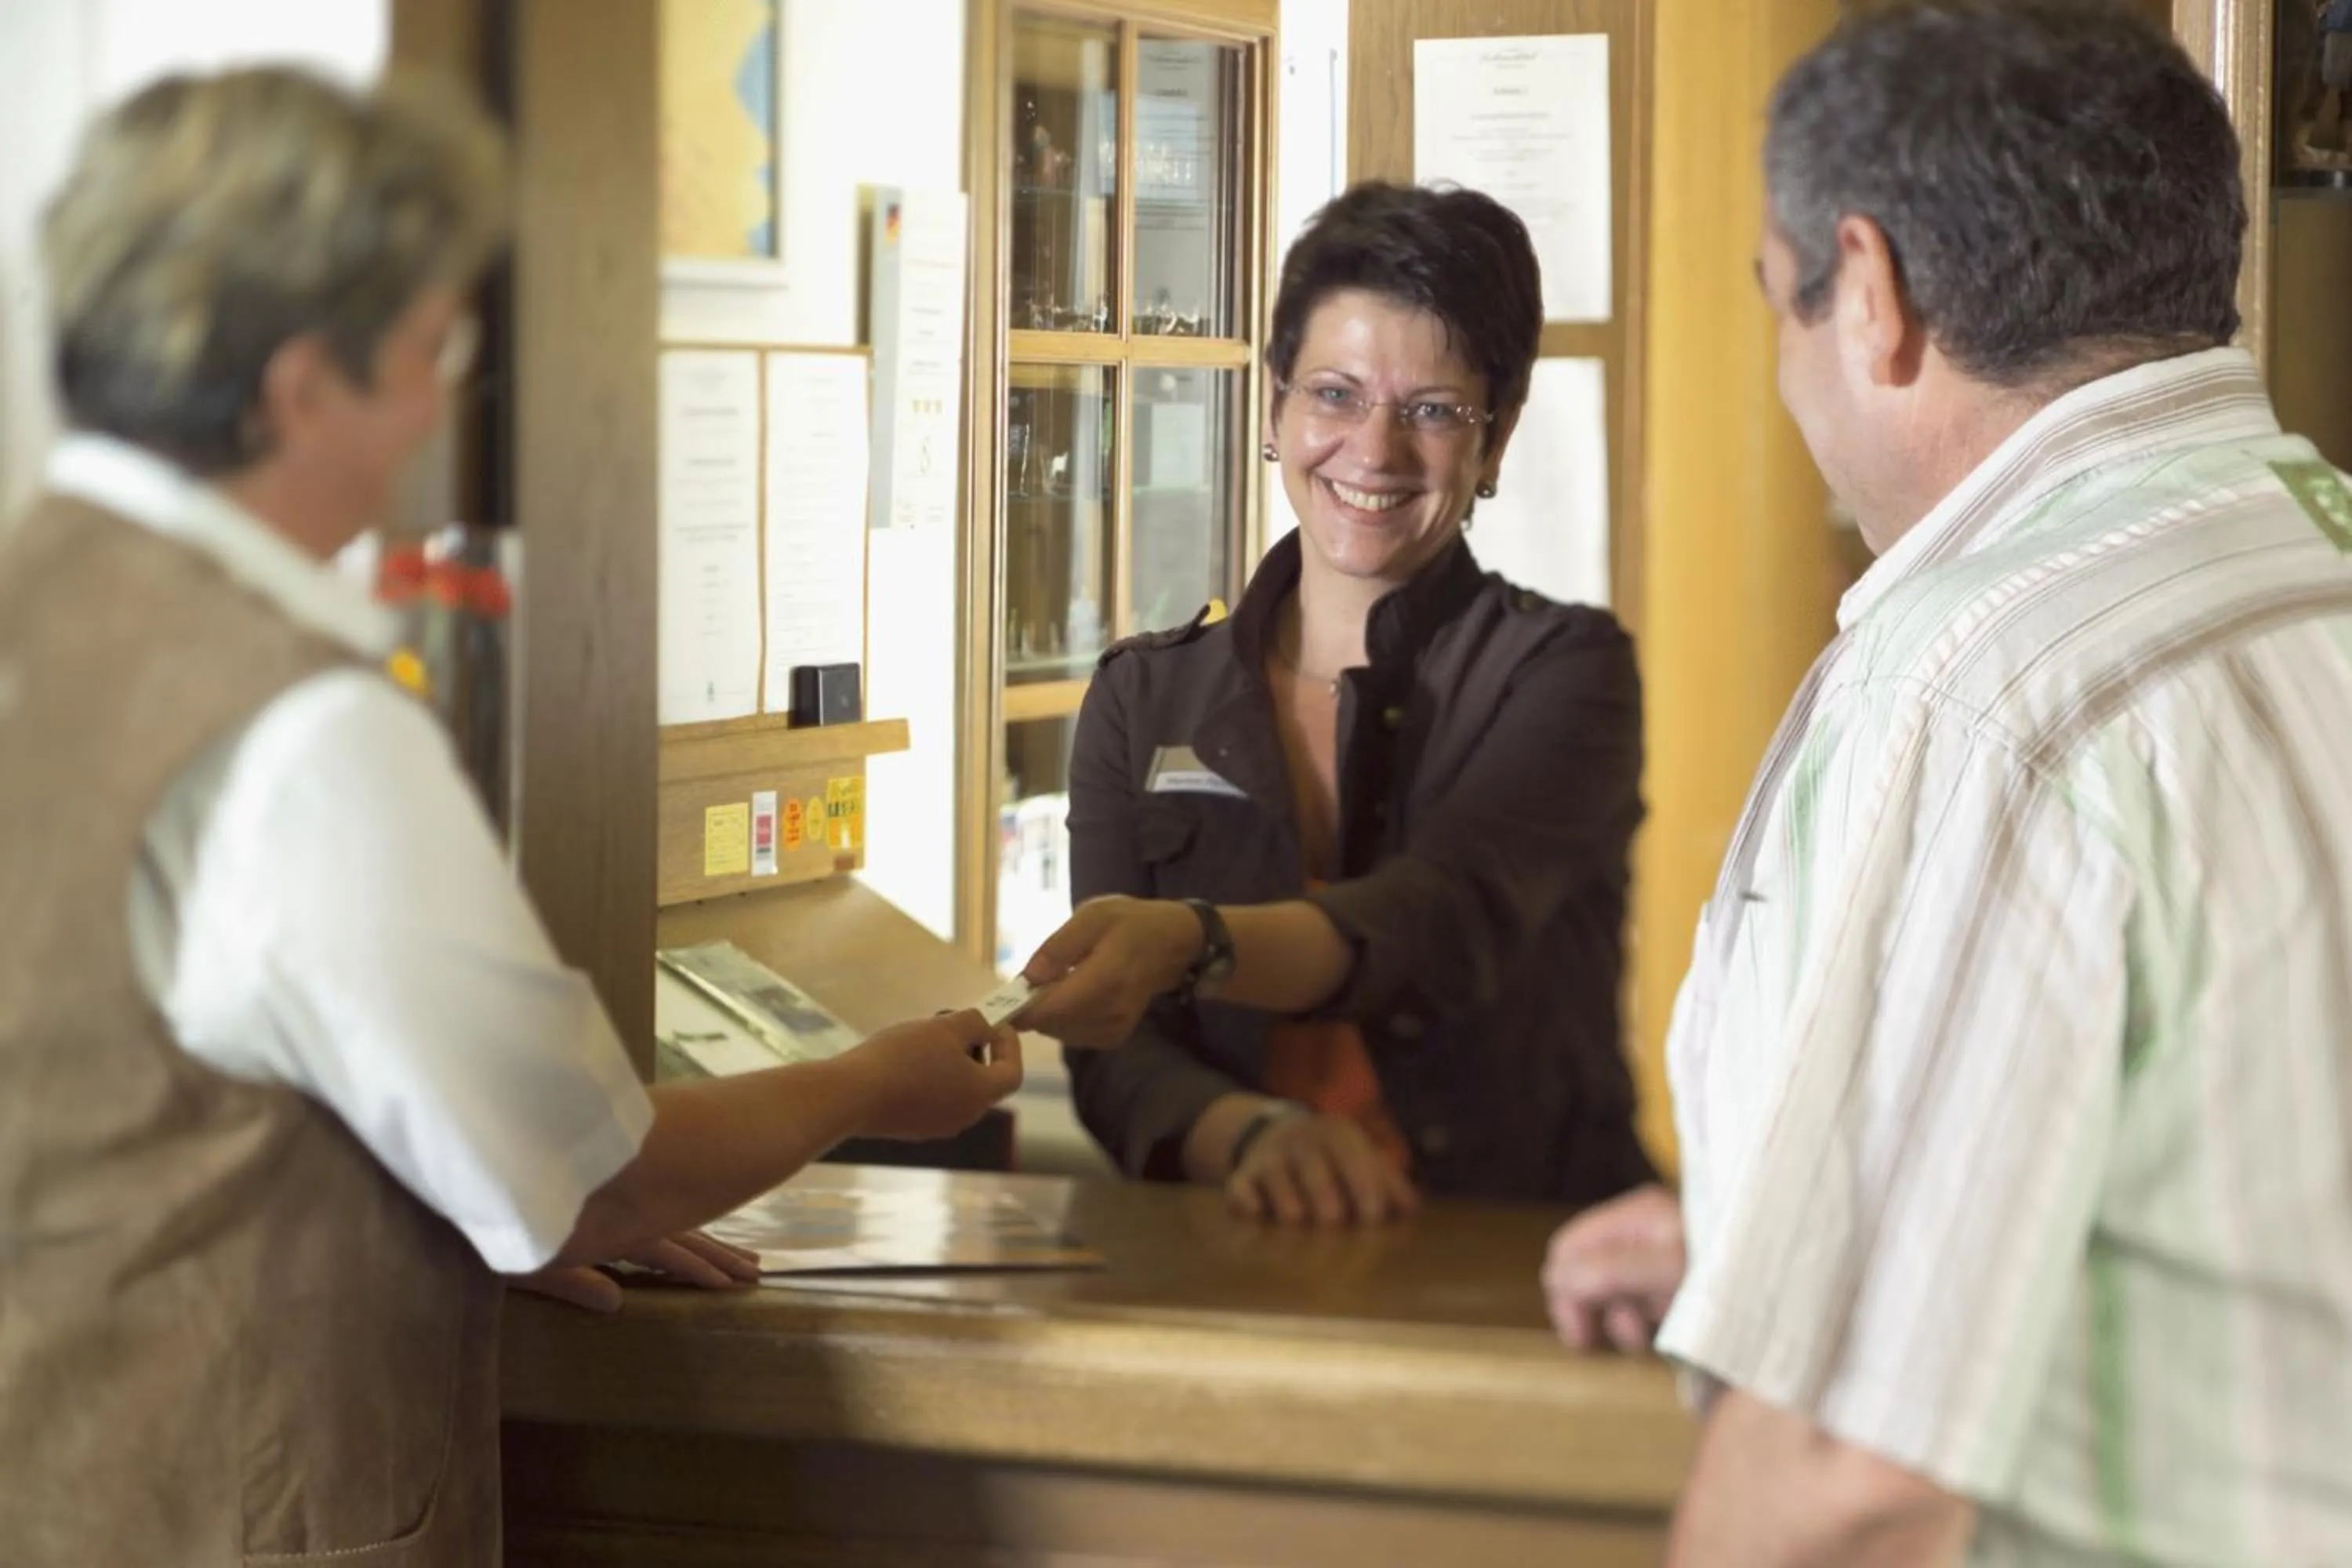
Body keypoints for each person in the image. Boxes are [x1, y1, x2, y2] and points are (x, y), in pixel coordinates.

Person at [0, 67, 1018, 1566]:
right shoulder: (298, 729)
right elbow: (585, 1184)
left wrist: (443, 1210)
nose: (441, 399)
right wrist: (869, 1083)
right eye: (426, 348)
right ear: (298, 387)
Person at [1544, 2, 2352, 1563]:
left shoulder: (1984, 692)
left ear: (1876, 298)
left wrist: (1821, 1355)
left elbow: (1852, 1481)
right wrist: (1789, 1240)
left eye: (1779, 303)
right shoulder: (2308, 572)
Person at [1016, 182, 1654, 1226]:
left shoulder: (1564, 675)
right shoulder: (1144, 696)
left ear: (1495, 440)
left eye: (1435, 411)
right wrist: (1249, 1135)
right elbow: (1119, 1046)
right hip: (1236, 1259)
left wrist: (1191, 938)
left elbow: (1439, 923)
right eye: (1336, 394)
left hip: (1515, 1263)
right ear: (1274, 404)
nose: (1375, 450)